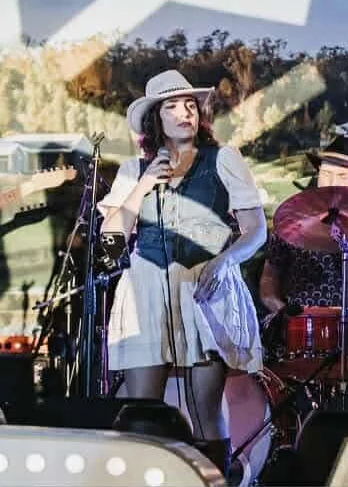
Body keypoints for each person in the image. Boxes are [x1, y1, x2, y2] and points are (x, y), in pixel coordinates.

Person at [98, 69, 267, 476]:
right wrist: (142, 186)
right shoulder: (133, 170)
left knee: (205, 407)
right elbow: (111, 238)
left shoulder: (223, 159)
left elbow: (256, 230)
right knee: (143, 411)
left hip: (203, 287)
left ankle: (213, 480)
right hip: (147, 287)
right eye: (172, 107)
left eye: (189, 105)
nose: (184, 113)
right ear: (155, 118)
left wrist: (225, 260)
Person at [259, 135, 348, 323]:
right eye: (326, 174)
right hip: (299, 324)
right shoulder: (292, 217)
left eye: (342, 176)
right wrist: (282, 310)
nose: (331, 182)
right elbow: (269, 277)